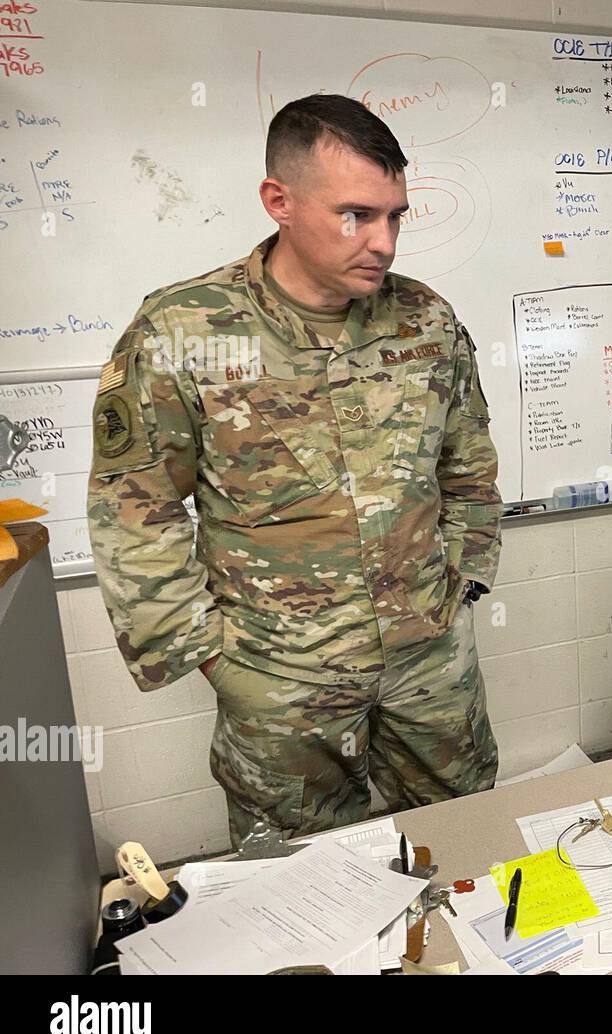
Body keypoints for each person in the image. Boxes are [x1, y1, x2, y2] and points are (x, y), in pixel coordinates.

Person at [88, 95, 501, 847]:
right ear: (279, 201)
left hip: (428, 663)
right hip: (281, 680)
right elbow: (133, 508)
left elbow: (467, 463)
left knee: (465, 843)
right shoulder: (184, 330)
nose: (383, 242)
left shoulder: (426, 321)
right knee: (298, 884)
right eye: (356, 215)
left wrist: (465, 585)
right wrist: (216, 660)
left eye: (396, 216)